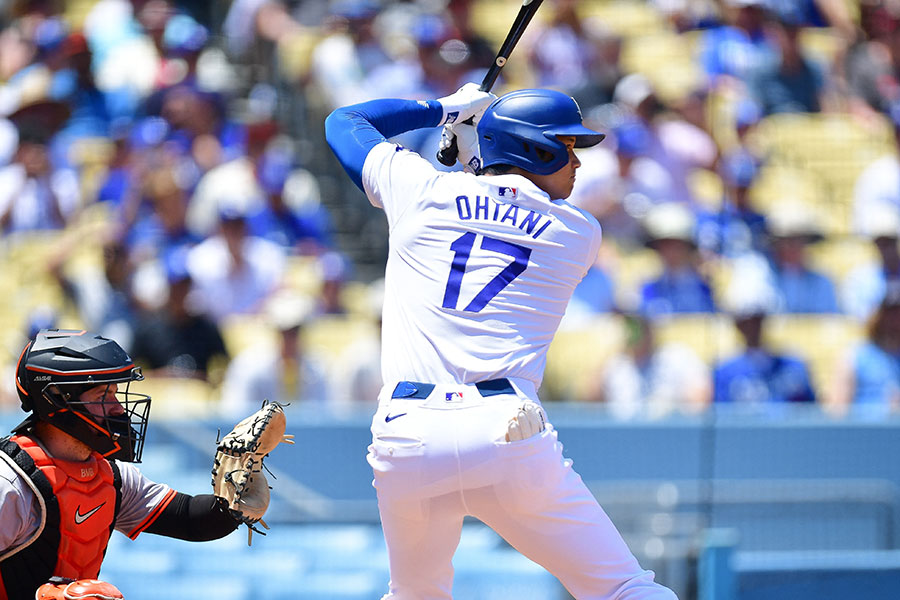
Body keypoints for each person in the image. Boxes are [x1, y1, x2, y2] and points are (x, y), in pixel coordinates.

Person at [325, 84, 677, 599]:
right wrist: (473, 156)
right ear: (535, 149)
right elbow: (497, 209)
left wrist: (443, 110)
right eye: (567, 147)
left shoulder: (421, 190)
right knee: (622, 587)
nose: (578, 163)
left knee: (414, 595)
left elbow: (345, 120)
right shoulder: (577, 231)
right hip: (504, 427)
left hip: (407, 433)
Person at [0, 329, 255, 598]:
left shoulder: (111, 476)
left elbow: (191, 519)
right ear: (56, 397)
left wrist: (237, 503)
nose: (119, 408)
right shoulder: (10, 483)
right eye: (102, 396)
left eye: (115, 393)